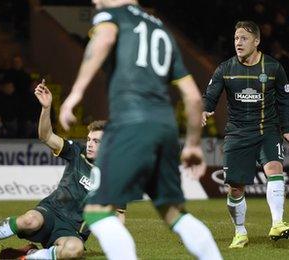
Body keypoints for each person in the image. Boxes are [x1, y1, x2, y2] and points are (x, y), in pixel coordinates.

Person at [58, 1, 222, 259]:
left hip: (131, 123)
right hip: (165, 127)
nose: (93, 2)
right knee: (173, 212)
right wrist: (192, 145)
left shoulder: (112, 16)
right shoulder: (163, 30)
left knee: (97, 210)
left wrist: (76, 92)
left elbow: (103, 39)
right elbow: (192, 97)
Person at [0, 80, 123, 259]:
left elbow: (119, 215)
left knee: (75, 250)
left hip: (72, 230)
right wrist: (46, 108)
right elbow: (46, 136)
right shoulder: (77, 152)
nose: (90, 144)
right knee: (29, 220)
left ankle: (30, 255)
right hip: (50, 212)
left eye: (96, 141)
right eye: (89, 139)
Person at [202, 21, 289, 248]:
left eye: (243, 38)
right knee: (235, 188)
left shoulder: (273, 68)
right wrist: (206, 107)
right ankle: (240, 231)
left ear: (256, 41)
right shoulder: (225, 68)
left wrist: (287, 129)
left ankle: (277, 223)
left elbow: (285, 100)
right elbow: (211, 93)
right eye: (236, 38)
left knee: (275, 169)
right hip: (237, 133)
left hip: (267, 130)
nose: (238, 43)